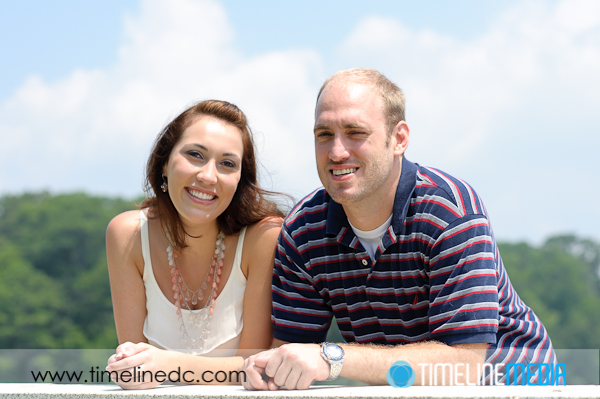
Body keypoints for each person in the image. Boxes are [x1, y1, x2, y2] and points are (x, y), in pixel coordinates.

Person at [241, 68, 556, 390]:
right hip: (402, 387)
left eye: (355, 132)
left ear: (399, 139)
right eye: (324, 134)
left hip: (511, 385)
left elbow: (464, 366)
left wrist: (330, 357)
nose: (336, 152)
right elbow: (291, 351)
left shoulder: (450, 213)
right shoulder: (303, 229)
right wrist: (271, 367)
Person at [105, 100, 283, 389]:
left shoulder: (262, 238)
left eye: (227, 163)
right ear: (164, 163)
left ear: (240, 180)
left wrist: (168, 366)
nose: (208, 176)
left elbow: (256, 366)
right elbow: (136, 370)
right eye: (195, 155)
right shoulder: (127, 236)